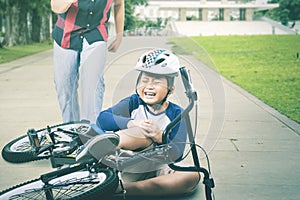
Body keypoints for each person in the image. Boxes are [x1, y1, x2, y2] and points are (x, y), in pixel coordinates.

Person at [76, 49, 201, 197]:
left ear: (171, 89)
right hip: (130, 161)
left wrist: (160, 136)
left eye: (157, 82)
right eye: (145, 81)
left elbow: (178, 154)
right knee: (141, 131)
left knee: (194, 175)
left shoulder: (177, 113)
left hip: (160, 166)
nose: (149, 86)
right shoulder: (133, 102)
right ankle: (98, 148)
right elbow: (103, 119)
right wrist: (130, 123)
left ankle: (122, 190)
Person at [51, 0, 124, 123]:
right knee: (64, 85)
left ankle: (91, 129)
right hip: (65, 35)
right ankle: (70, 127)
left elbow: (119, 4)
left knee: (93, 82)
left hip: (96, 33)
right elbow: (55, 6)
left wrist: (119, 36)